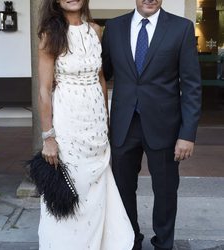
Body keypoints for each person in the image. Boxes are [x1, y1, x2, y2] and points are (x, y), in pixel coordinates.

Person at [102, 0, 202, 249]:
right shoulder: (114, 28)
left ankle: (164, 243)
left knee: (166, 191)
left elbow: (191, 86)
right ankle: (130, 240)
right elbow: (101, 74)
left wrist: (187, 134)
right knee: (122, 189)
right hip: (124, 124)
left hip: (165, 126)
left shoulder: (182, 28)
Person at [37, 0, 134, 249]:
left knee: (96, 190)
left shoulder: (95, 30)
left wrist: (106, 120)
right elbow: (44, 91)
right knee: (72, 187)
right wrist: (48, 136)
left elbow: (101, 78)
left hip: (96, 127)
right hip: (68, 123)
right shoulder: (51, 33)